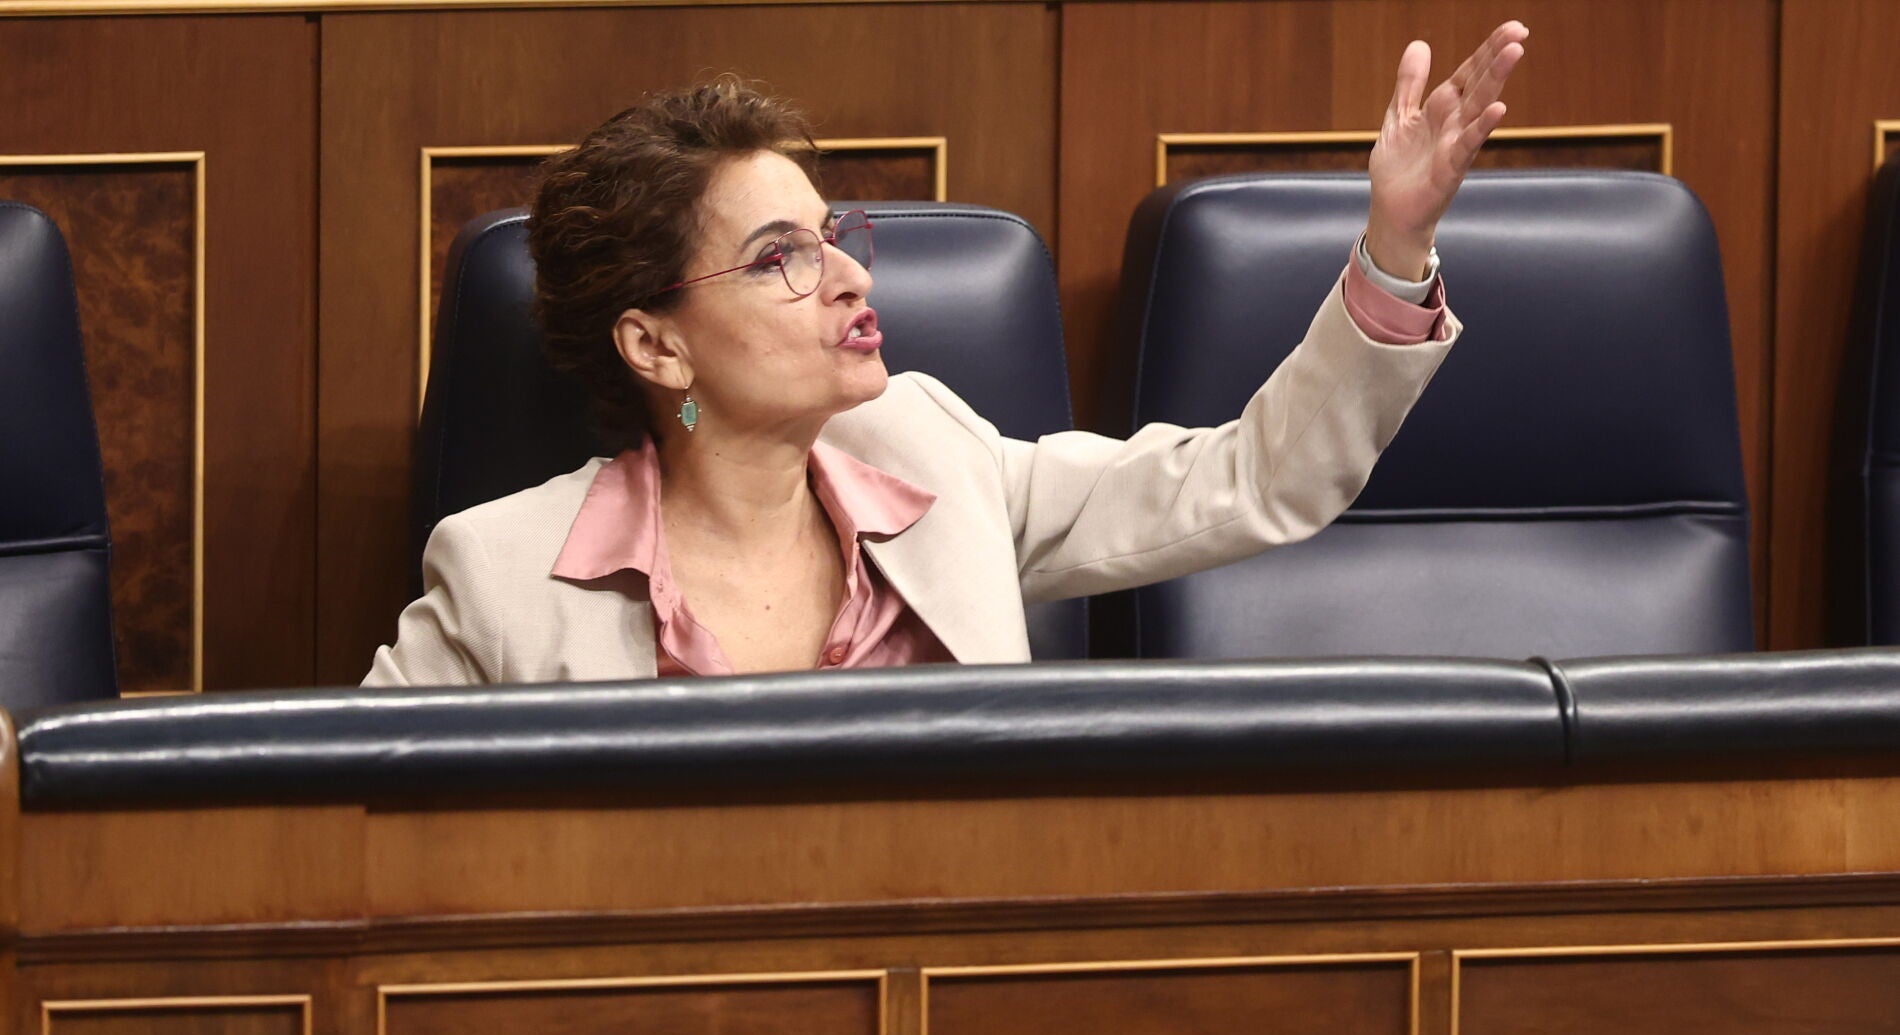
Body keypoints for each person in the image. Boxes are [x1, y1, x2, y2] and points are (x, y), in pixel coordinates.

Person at [364, 22, 1529, 685]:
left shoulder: (930, 456)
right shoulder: (500, 572)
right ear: (655, 344)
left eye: (832, 236)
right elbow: (338, 827)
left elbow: (1252, 479)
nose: (852, 277)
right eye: (779, 258)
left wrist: (1395, 245)